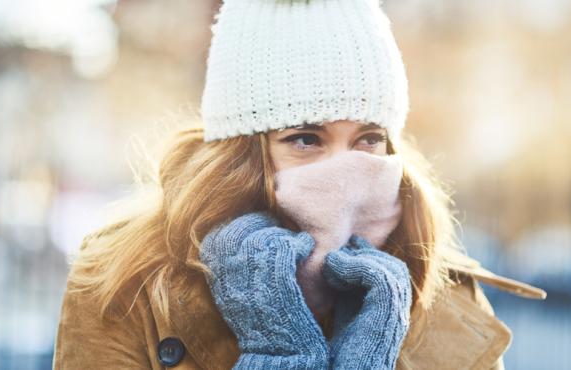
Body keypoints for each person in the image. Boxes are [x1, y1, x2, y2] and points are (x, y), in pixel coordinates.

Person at [52, 0, 546, 369]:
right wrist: (280, 355)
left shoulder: (443, 295)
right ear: (241, 153)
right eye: (306, 139)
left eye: (369, 139)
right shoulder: (127, 280)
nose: (345, 171)